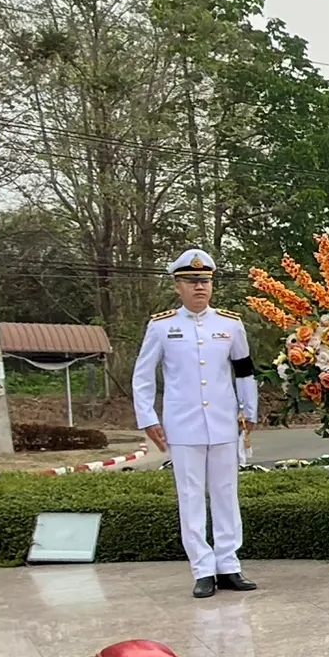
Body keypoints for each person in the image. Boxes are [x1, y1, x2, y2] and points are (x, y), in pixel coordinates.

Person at [132, 248, 258, 599]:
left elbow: (244, 370)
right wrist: (148, 418)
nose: (199, 288)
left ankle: (229, 565)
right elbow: (143, 376)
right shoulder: (161, 326)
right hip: (182, 423)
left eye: (204, 281)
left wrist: (250, 411)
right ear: (178, 286)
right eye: (191, 282)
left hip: (222, 420)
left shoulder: (230, 325)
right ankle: (203, 569)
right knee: (190, 496)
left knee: (226, 494)